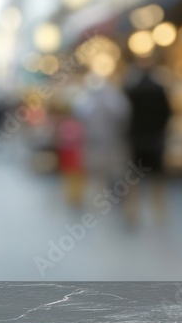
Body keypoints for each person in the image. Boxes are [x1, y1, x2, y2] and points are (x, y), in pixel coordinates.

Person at [123, 56, 172, 226]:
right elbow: (167, 113)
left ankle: (132, 211)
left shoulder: (131, 90)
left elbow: (125, 115)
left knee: (133, 177)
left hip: (136, 140)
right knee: (157, 177)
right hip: (155, 140)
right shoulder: (159, 89)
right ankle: (159, 211)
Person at [73, 71, 131, 208]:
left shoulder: (112, 98)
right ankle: (96, 194)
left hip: (111, 140)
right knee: (95, 169)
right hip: (94, 141)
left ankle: (113, 192)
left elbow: (122, 114)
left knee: (114, 169)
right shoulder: (88, 99)